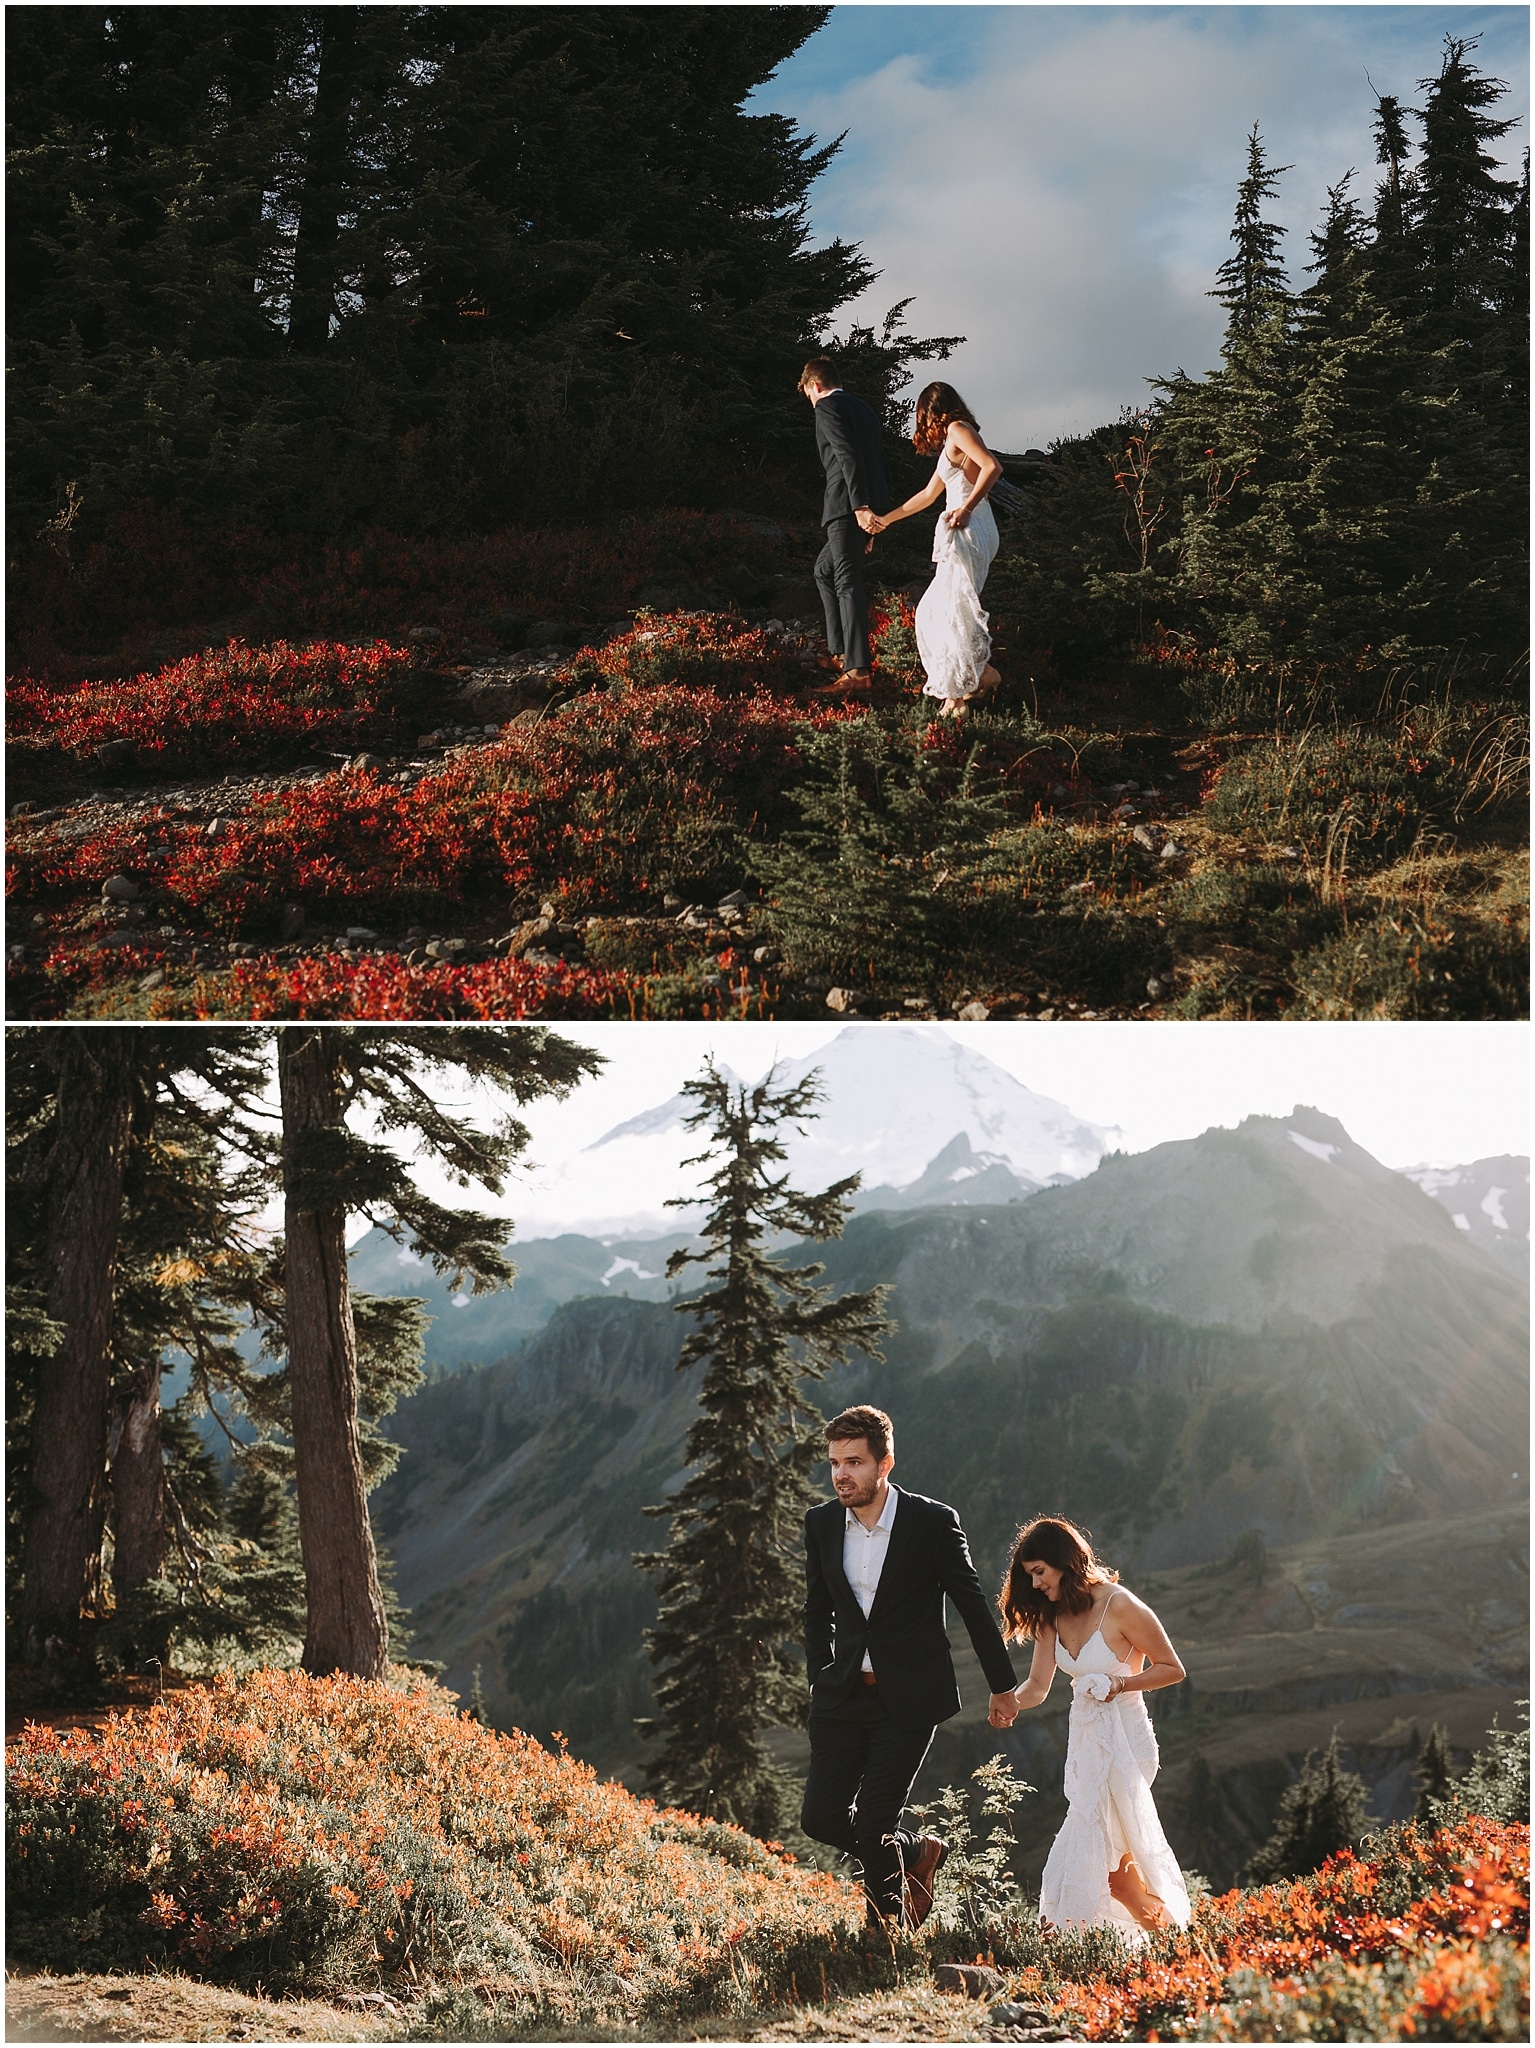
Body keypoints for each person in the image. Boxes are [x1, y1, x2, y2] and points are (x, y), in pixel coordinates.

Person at [801, 1404, 1021, 1929]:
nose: (840, 1475)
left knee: (874, 1821)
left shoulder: (932, 1522)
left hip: (909, 1698)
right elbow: (816, 1610)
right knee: (821, 1818)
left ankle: (886, 1937)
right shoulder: (821, 1522)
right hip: (842, 1694)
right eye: (834, 1462)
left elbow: (971, 1603)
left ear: (885, 1463)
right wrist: (819, 1677)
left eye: (853, 1461)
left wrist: (1002, 1685)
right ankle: (917, 1852)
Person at [992, 1515, 1191, 1942]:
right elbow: (1039, 1687)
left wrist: (1120, 1683)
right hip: (1087, 1750)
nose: (1036, 1584)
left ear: (1065, 1561)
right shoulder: (1050, 1616)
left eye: (1040, 1572)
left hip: (1127, 1745)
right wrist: (1010, 1702)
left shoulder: (1120, 1605)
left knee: (1088, 1855)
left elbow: (1172, 1669)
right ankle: (1168, 1943)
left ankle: (1066, 1941)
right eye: (1029, 1576)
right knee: (1116, 1873)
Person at [866, 382, 1003, 717]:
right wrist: (887, 520)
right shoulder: (951, 443)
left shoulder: (958, 429)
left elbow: (993, 467)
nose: (921, 425)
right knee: (940, 610)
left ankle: (957, 699)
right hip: (965, 527)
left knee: (948, 610)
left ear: (935, 411)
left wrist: (967, 508)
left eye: (922, 416)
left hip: (969, 527)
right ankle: (980, 677)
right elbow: (927, 496)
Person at [800, 359, 892, 698]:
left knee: (846, 580)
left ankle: (857, 671)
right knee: (823, 571)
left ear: (815, 386)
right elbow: (879, 460)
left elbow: (847, 455)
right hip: (870, 503)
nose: (810, 402)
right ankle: (841, 653)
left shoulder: (826, 406)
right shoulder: (865, 409)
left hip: (847, 505)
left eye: (808, 394)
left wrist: (859, 507)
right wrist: (875, 511)